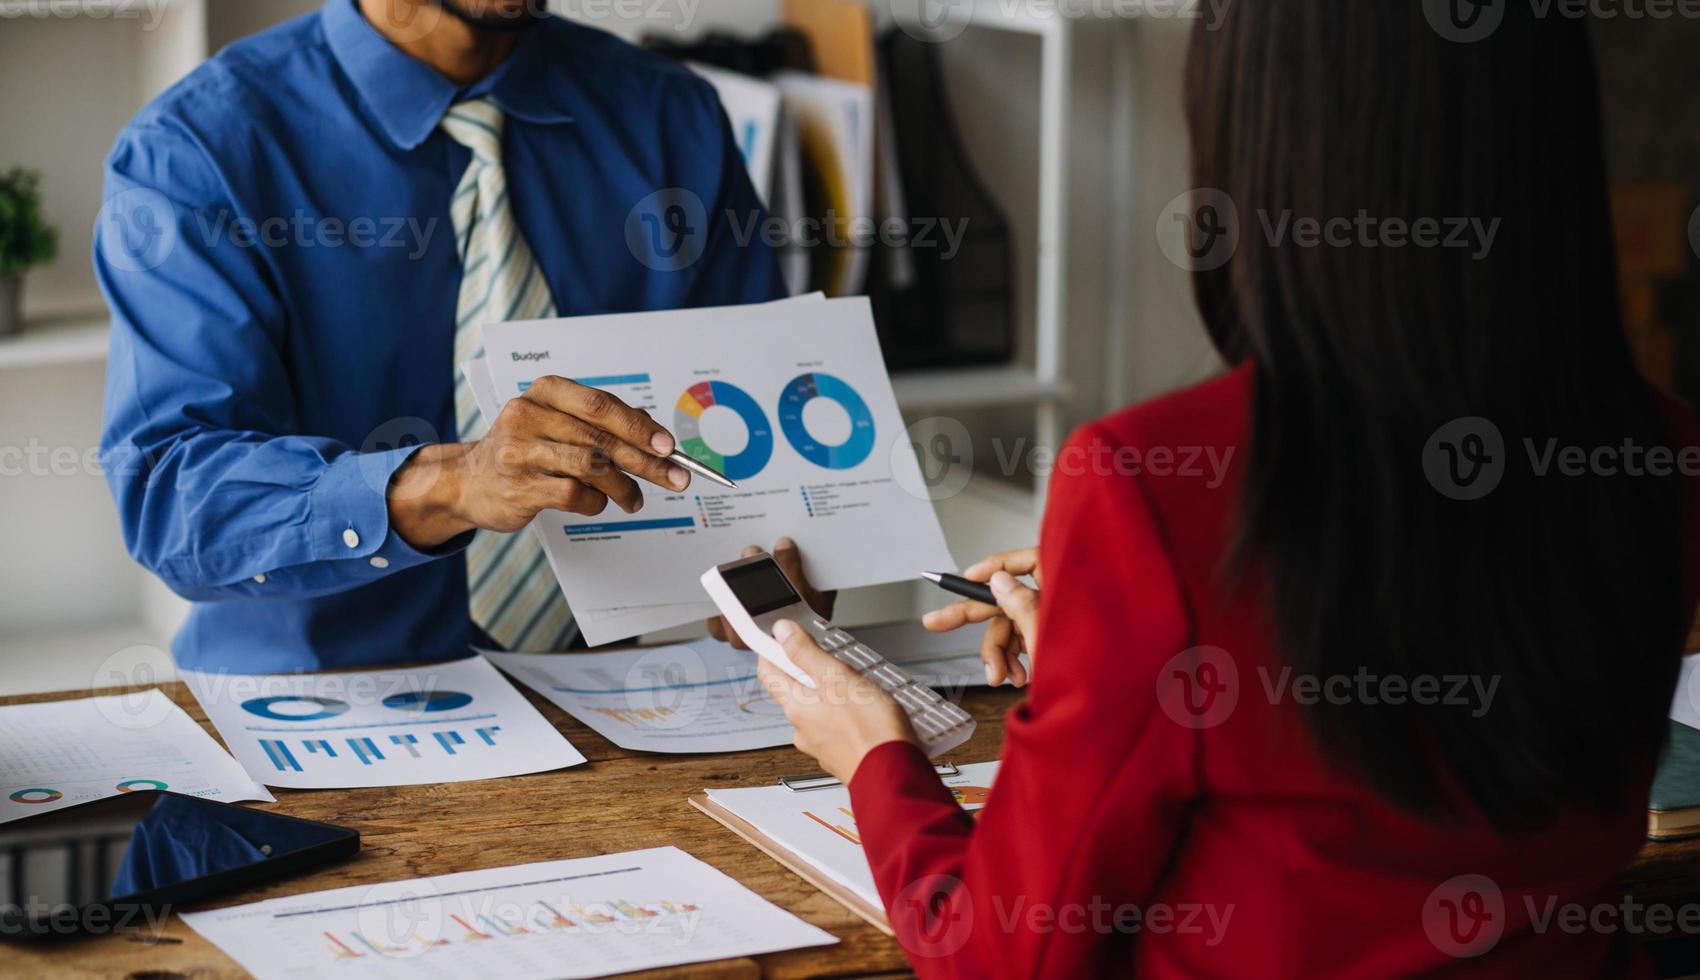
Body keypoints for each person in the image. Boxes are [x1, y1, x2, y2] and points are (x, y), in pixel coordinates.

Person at [758, 4, 1700, 976]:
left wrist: (876, 754)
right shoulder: (1659, 453)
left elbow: (1003, 955)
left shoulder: (1152, 487)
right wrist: (1118, 652)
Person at [96, 0, 817, 672]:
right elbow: (172, 497)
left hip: (612, 700)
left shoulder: (669, 114)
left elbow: (746, 424)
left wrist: (780, 557)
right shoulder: (196, 151)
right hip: (308, 711)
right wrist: (450, 487)